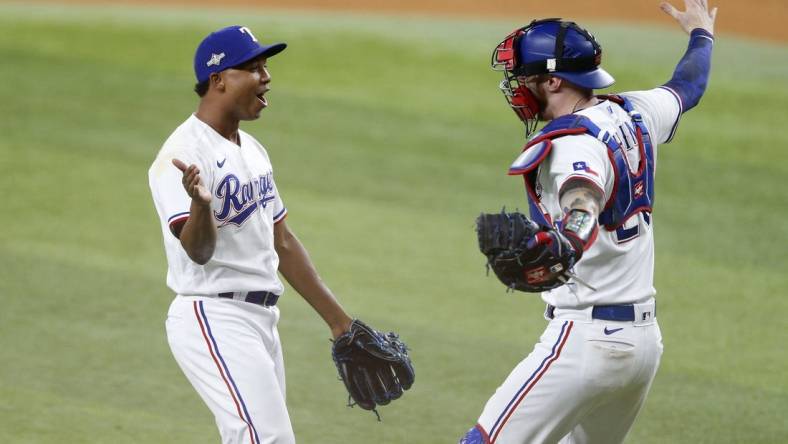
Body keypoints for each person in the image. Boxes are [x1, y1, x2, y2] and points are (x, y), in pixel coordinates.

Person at [460, 1, 716, 443]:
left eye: (525, 78)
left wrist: (571, 240)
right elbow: (688, 85)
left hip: (585, 343)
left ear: (554, 80)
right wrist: (701, 35)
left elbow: (584, 195)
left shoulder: (570, 146)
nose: (517, 88)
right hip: (642, 346)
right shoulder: (635, 112)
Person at [148, 25, 358, 444]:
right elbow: (198, 252)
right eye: (253, 67)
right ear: (219, 79)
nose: (267, 77)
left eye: (266, 66)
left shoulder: (253, 150)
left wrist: (340, 324)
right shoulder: (181, 156)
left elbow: (283, 241)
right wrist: (201, 205)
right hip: (213, 315)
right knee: (265, 439)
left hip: (262, 320)